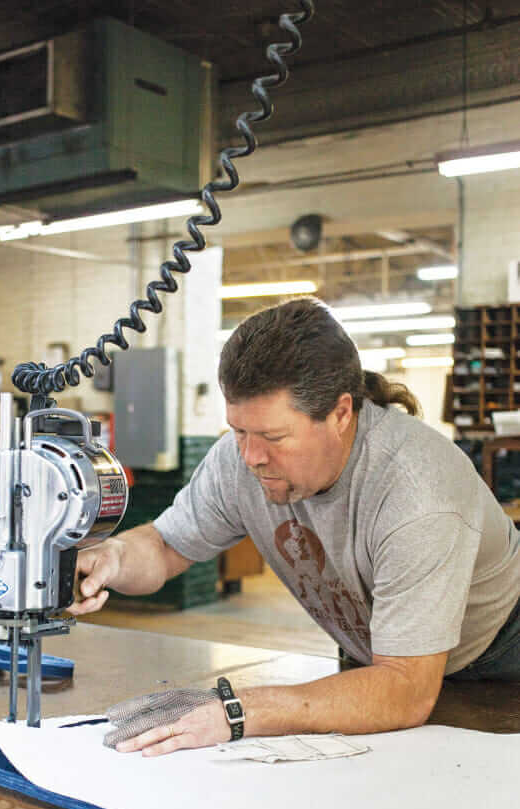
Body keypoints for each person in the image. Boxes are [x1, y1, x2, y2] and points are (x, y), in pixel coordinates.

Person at [70, 298, 520, 756]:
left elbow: (406, 689)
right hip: (382, 661)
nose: (251, 457)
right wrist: (113, 557)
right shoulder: (239, 460)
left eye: (273, 437)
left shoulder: (418, 490)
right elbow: (166, 546)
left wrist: (238, 710)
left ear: (341, 413)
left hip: (499, 664)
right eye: (239, 431)